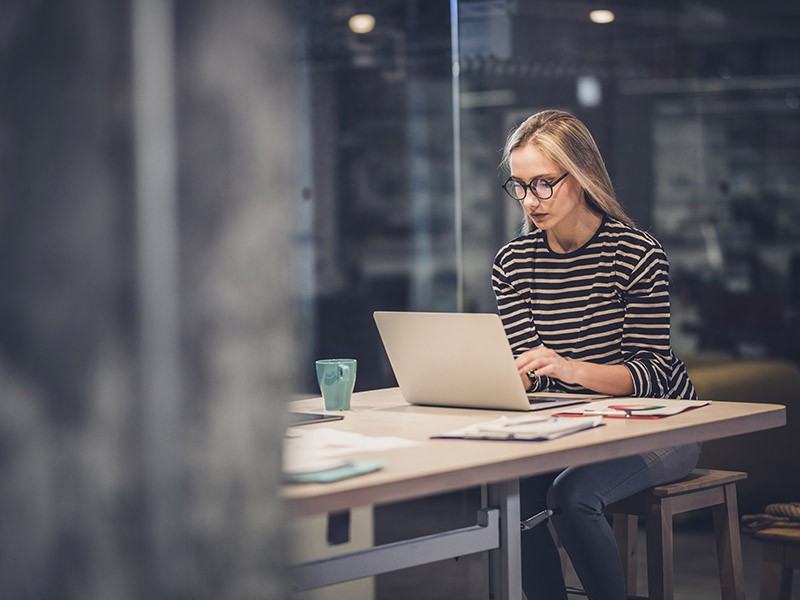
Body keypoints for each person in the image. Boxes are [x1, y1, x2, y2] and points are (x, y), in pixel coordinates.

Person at [492, 109, 700, 600]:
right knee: (511, 496)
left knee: (569, 496)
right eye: (519, 186)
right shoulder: (513, 262)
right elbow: (533, 370)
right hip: (573, 427)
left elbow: (652, 375)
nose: (530, 200)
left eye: (543, 183)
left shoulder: (636, 254)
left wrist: (568, 369)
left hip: (663, 424)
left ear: (581, 176)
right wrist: (509, 378)